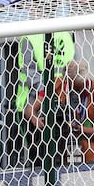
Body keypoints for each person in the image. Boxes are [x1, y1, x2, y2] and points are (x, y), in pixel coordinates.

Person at [12, 32, 75, 169]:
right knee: (48, 155)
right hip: (47, 103)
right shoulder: (65, 34)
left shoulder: (30, 35)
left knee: (46, 157)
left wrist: (47, 92)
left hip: (43, 103)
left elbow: (30, 72)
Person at [54, 59, 94, 163]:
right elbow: (32, 107)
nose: (72, 88)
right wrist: (35, 117)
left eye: (76, 85)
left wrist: (77, 128)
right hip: (60, 154)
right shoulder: (57, 85)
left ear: (84, 79)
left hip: (92, 156)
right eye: (69, 83)